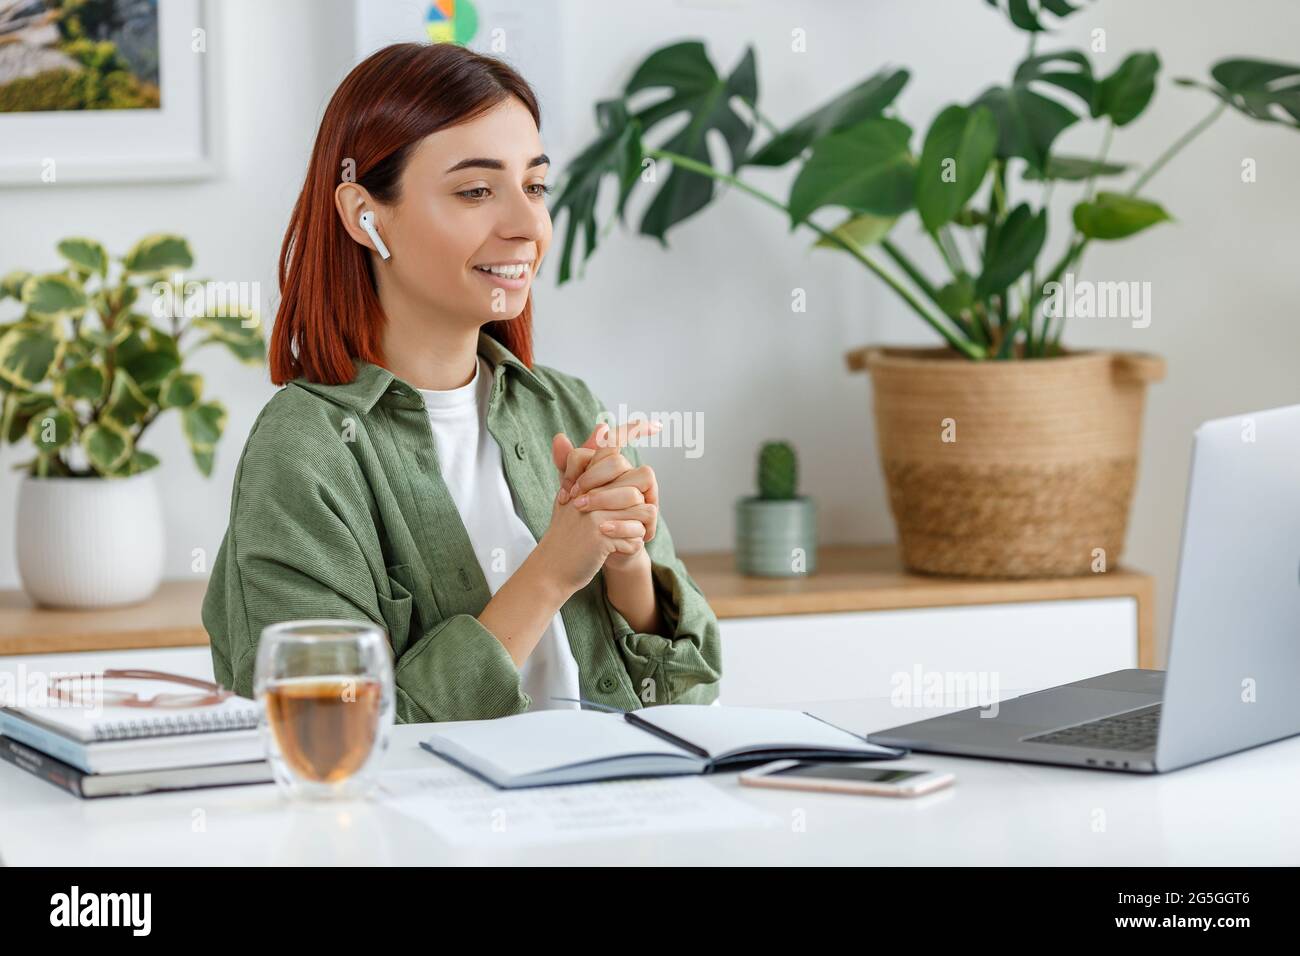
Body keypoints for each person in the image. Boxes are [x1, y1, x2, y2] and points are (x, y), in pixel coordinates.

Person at [201, 42, 721, 722]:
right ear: (364, 215)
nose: (528, 225)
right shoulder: (306, 451)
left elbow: (690, 699)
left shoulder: (566, 407)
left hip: (615, 813)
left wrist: (624, 562)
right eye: (477, 190)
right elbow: (329, 731)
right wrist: (551, 572)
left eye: (534, 186)